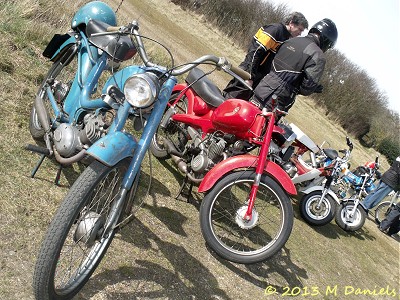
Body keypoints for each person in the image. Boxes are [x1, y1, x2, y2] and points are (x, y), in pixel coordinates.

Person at [249, 18, 338, 113]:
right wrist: (312, 88)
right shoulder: (317, 55)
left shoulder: (291, 40)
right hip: (278, 99)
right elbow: (306, 89)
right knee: (262, 126)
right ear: (327, 41)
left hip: (262, 87)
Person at [222, 12, 309, 100]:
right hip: (250, 72)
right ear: (291, 24)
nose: (300, 33)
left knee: (241, 106)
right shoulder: (275, 30)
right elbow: (255, 52)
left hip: (260, 76)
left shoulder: (286, 38)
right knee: (231, 100)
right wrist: (249, 76)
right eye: (300, 29)